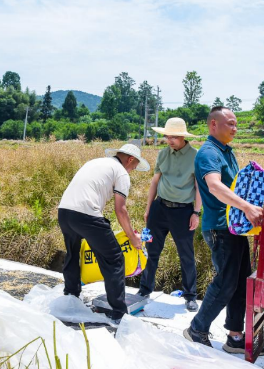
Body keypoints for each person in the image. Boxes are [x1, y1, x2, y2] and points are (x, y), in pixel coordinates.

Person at [183, 106, 264, 355]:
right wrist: (247, 207)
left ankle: (235, 337)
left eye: (235, 123)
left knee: (241, 282)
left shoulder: (226, 152)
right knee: (225, 282)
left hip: (235, 227)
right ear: (213, 125)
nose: (234, 128)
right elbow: (215, 187)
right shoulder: (208, 153)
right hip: (220, 227)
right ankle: (197, 328)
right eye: (229, 123)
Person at [58, 143, 148, 325]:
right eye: (134, 167)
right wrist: (133, 237)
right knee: (114, 258)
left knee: (73, 254)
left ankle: (71, 296)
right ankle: (118, 312)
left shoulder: (95, 162)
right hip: (85, 215)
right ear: (130, 160)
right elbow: (121, 210)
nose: (132, 171)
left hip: (64, 212)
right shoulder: (121, 172)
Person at [138, 118, 202, 312]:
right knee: (151, 251)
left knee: (186, 255)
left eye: (173, 136)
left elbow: (199, 187)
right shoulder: (163, 154)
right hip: (159, 208)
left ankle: (190, 296)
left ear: (183, 136)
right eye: (167, 136)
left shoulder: (196, 156)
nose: (170, 140)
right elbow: (154, 182)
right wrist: (149, 208)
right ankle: (144, 290)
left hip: (183, 211)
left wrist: (196, 213)